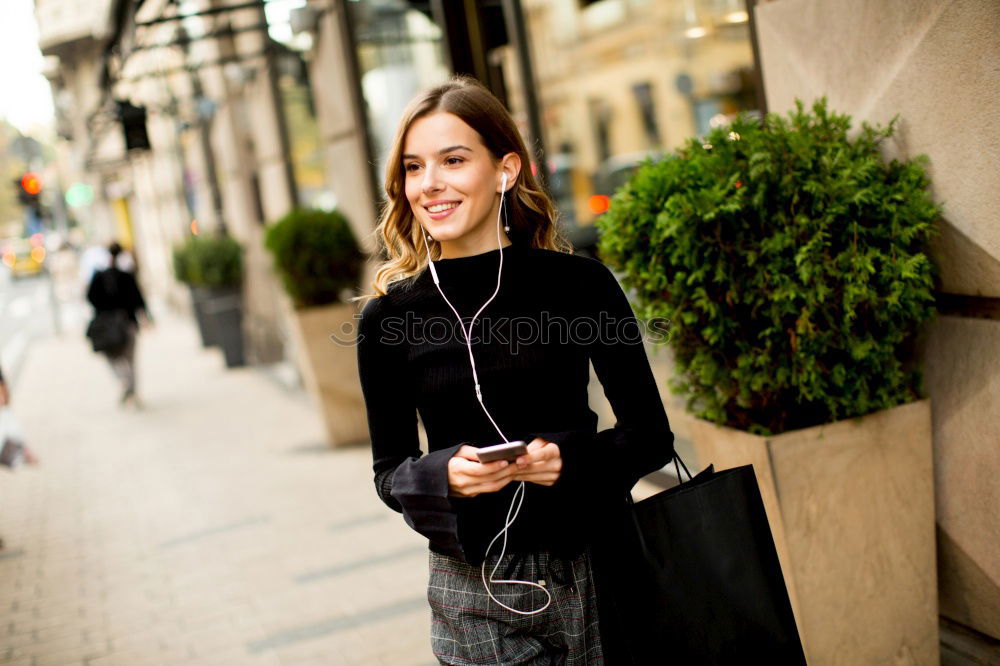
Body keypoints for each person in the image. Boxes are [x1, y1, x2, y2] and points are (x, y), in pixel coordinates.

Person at [356, 76, 674, 665]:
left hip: (602, 565)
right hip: (473, 587)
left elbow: (651, 438)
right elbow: (387, 473)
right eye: (413, 167)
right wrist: (442, 475)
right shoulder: (389, 318)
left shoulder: (579, 285)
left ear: (506, 170)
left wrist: (567, 459)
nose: (430, 185)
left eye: (453, 160)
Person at [86, 242, 152, 407]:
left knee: (112, 359)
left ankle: (123, 382)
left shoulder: (98, 277)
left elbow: (90, 298)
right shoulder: (126, 276)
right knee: (131, 361)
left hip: (105, 325)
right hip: (127, 324)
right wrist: (146, 318)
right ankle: (132, 391)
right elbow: (138, 300)